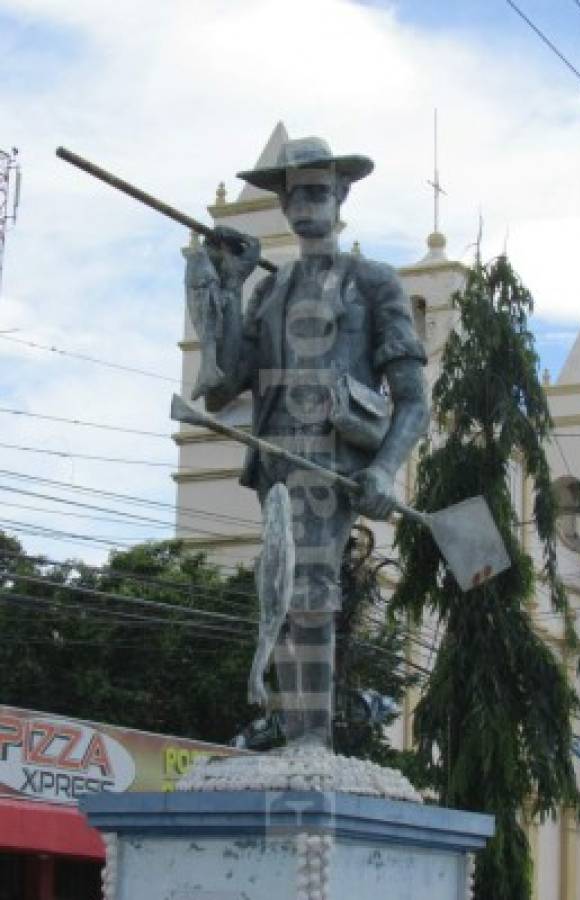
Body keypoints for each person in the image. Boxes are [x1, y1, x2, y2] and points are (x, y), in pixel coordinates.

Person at [185, 136, 428, 749]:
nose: (306, 204)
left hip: (334, 462)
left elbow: (414, 397)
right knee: (282, 592)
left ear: (341, 197)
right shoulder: (271, 290)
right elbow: (222, 387)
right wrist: (232, 284)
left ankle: (307, 738)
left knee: (311, 588)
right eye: (295, 194)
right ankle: (294, 724)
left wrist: (384, 469)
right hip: (277, 466)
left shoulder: (373, 283)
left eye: (319, 191)